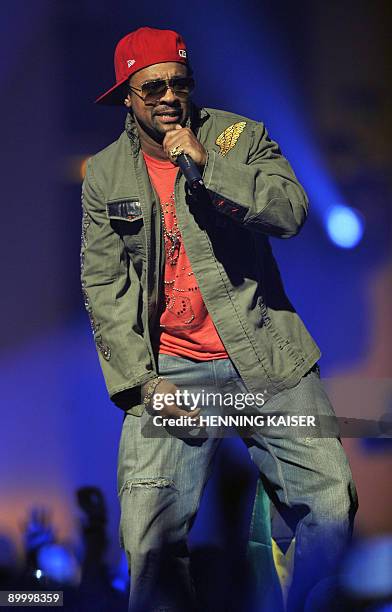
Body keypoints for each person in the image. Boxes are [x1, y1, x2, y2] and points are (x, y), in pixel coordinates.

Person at [81, 26, 358, 612]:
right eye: (151, 86)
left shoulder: (238, 137)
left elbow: (291, 211)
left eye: (178, 83)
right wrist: (144, 383)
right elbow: (105, 284)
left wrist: (211, 167)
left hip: (264, 354)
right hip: (171, 371)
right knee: (150, 537)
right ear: (127, 98)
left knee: (331, 504)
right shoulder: (106, 175)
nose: (167, 96)